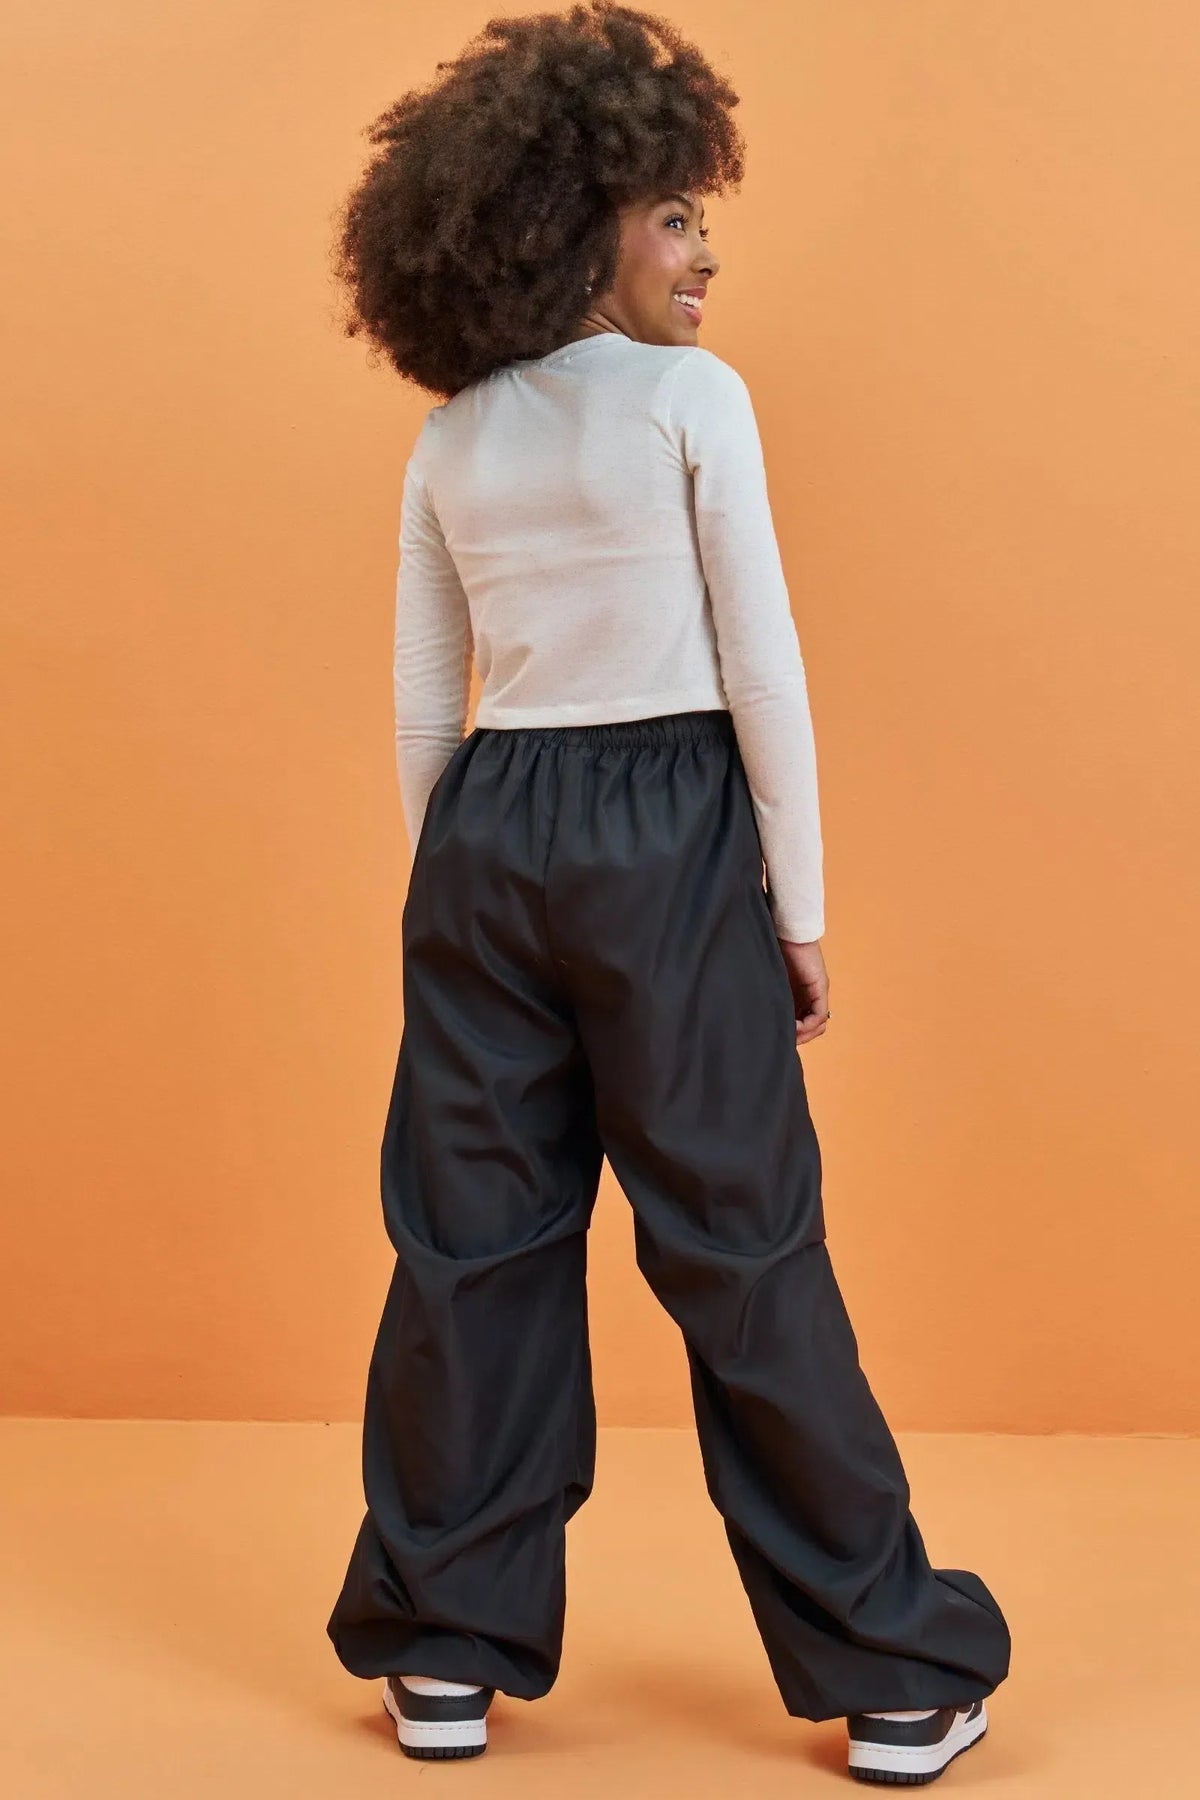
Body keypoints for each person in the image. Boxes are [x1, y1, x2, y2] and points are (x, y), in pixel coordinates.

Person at [324, 2, 1011, 1784]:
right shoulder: (693, 400)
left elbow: (426, 696)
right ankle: (891, 1669)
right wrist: (796, 905)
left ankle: (444, 1648)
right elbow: (760, 665)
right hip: (669, 824)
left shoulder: (452, 435)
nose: (706, 254)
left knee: (473, 1243)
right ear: (579, 223)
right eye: (677, 215)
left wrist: (460, 895)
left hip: (485, 833)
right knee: (739, 1238)